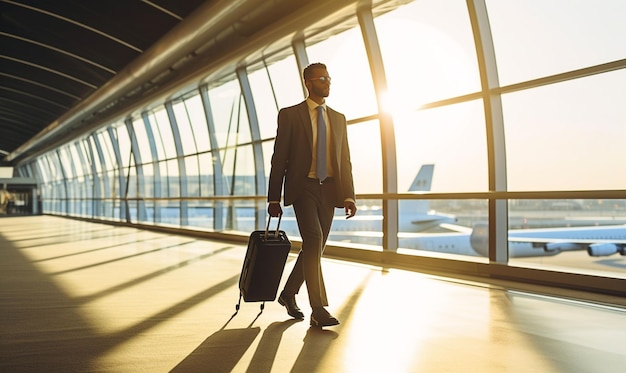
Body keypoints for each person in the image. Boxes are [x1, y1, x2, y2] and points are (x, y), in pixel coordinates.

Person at [267, 62, 357, 327]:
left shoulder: (338, 118)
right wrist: (274, 197)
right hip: (303, 186)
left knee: (313, 248)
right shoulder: (290, 115)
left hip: (329, 189)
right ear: (308, 82)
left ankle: (288, 293)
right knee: (314, 238)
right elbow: (279, 158)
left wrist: (349, 195)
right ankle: (318, 309)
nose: (327, 82)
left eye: (329, 78)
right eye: (321, 79)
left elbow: (345, 160)